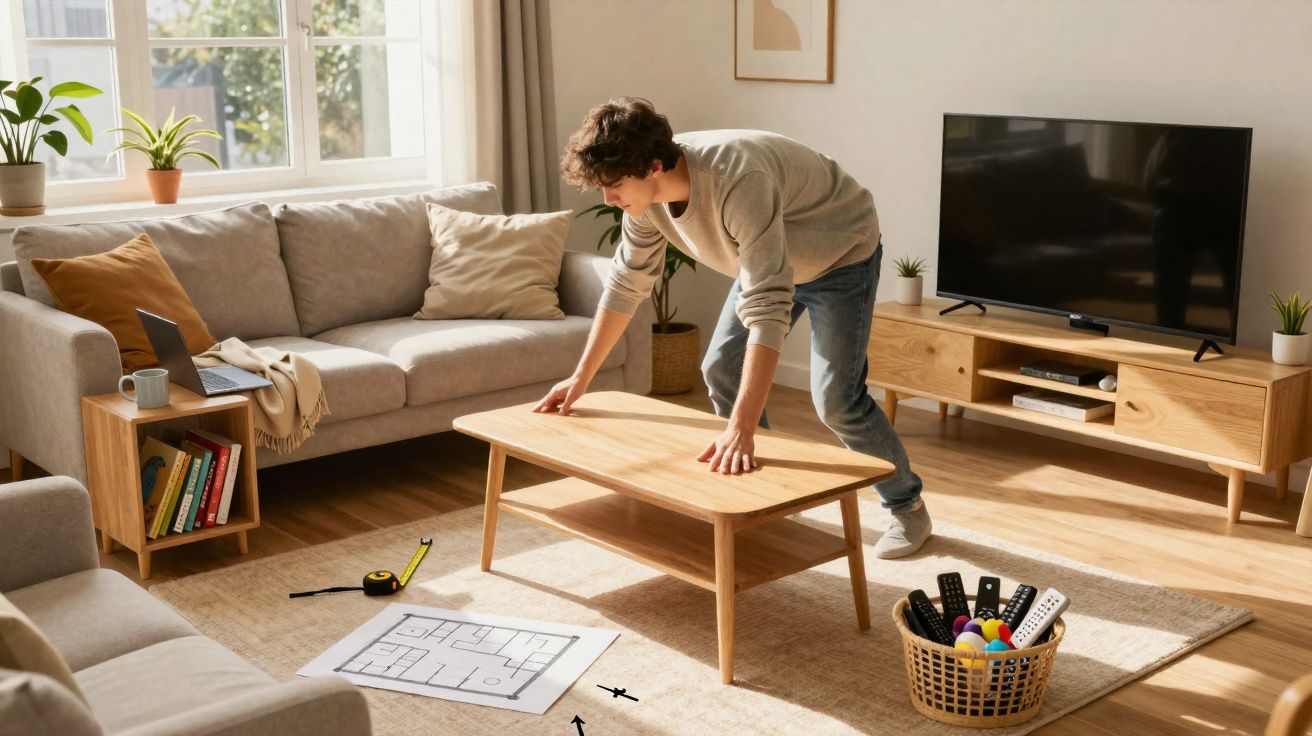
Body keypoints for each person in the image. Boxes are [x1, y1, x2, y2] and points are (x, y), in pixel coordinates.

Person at [534, 97, 932, 558]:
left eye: (615, 185)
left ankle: (908, 508)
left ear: (654, 165)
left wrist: (742, 426)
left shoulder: (737, 181)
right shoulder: (642, 203)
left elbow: (768, 306)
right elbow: (626, 285)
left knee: (838, 401)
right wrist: (580, 379)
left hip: (839, 254)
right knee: (722, 367)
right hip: (767, 259)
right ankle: (761, 498)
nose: (609, 199)